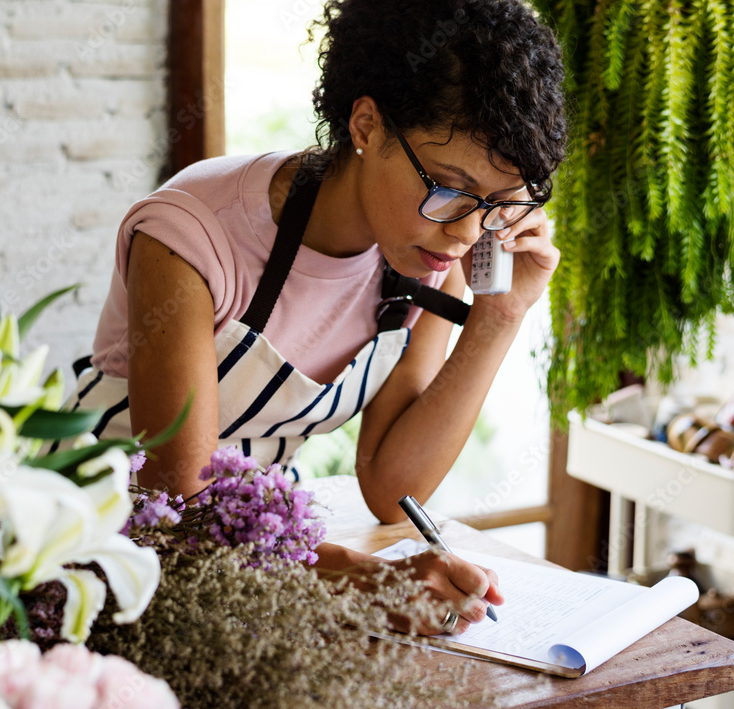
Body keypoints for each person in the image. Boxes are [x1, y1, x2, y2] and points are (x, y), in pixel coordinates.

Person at [68, 0, 566, 635]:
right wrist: (363, 578)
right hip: (105, 553)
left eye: (497, 204)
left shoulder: (423, 255)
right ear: (366, 125)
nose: (469, 233)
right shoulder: (191, 237)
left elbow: (393, 487)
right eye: (446, 188)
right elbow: (179, 508)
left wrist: (500, 313)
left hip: (263, 571)